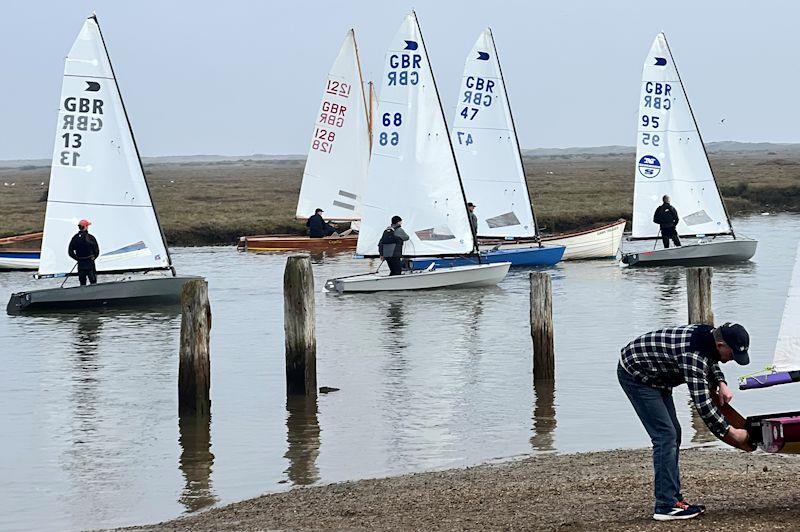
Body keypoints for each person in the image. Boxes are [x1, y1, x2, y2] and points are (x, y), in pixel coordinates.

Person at [617, 322, 753, 521]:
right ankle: (665, 505)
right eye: (732, 354)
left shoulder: (709, 336)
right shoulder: (693, 355)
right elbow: (703, 406)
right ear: (721, 344)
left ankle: (674, 498)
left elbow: (711, 360)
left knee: (674, 434)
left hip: (657, 374)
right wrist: (732, 432)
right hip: (637, 376)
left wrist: (720, 382)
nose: (732, 360)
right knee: (665, 436)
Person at [68, 219, 100, 286]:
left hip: (81, 264)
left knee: (82, 283)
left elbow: (70, 252)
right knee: (93, 282)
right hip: (90, 263)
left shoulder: (75, 238)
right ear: (86, 227)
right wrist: (93, 257)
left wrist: (77, 258)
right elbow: (97, 251)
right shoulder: (90, 238)